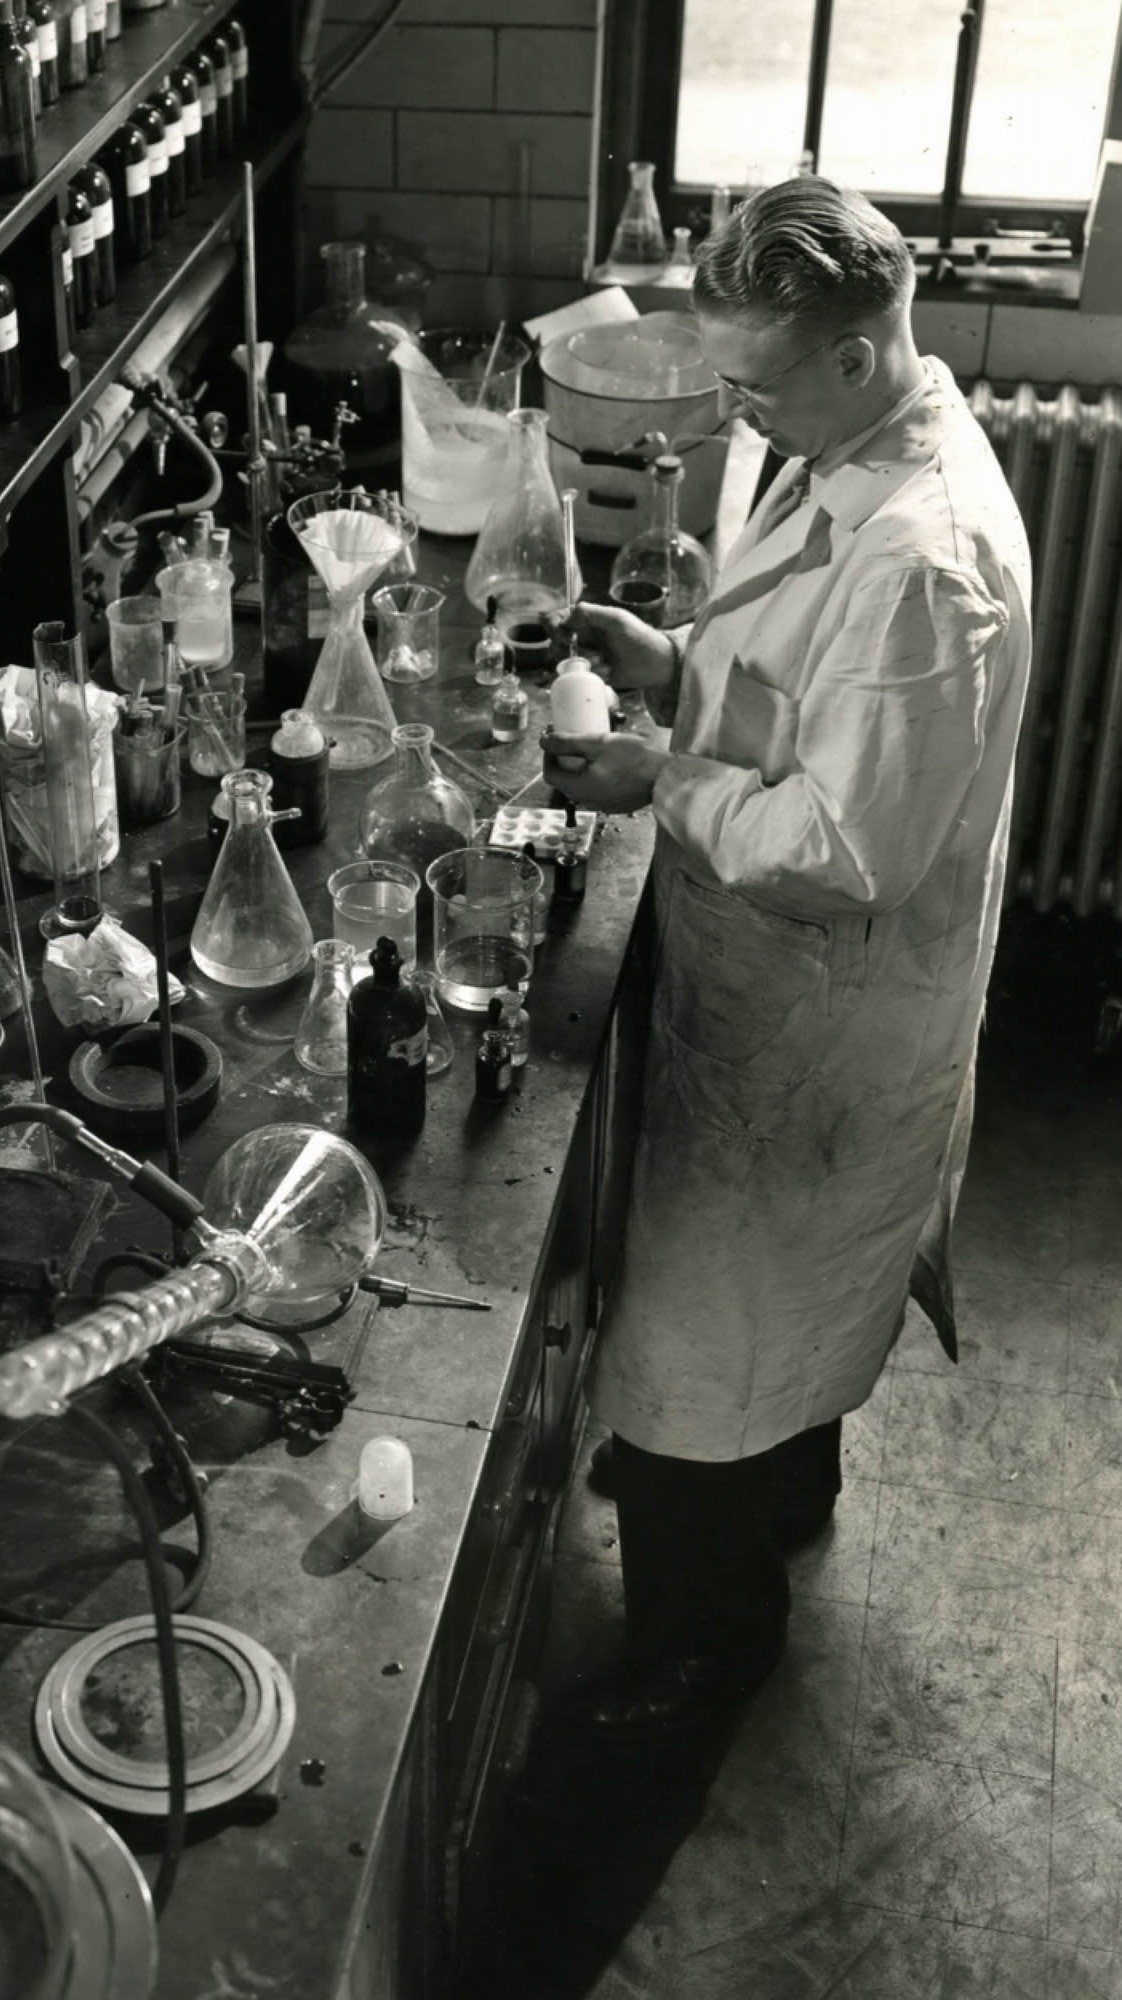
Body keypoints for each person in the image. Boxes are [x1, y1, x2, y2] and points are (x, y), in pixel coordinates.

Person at [541, 176, 1033, 1734]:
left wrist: (654, 780)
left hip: (823, 1008)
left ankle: (703, 1646)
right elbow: (799, 695)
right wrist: (673, 670)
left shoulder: (925, 559)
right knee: (766, 1334)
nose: (729, 405)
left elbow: (844, 847)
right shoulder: (846, 440)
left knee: (714, 1333)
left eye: (751, 379)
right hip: (769, 985)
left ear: (858, 352)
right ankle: (774, 1490)